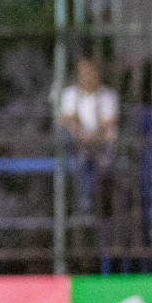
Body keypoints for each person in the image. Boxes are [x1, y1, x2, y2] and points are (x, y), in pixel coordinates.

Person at [58, 57, 119, 214]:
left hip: (98, 142)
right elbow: (68, 120)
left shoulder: (108, 95)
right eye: (83, 72)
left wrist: (92, 137)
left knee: (106, 141)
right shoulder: (70, 94)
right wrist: (81, 135)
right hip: (76, 141)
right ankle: (89, 200)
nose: (87, 76)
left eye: (90, 72)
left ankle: (90, 201)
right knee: (82, 152)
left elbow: (108, 123)